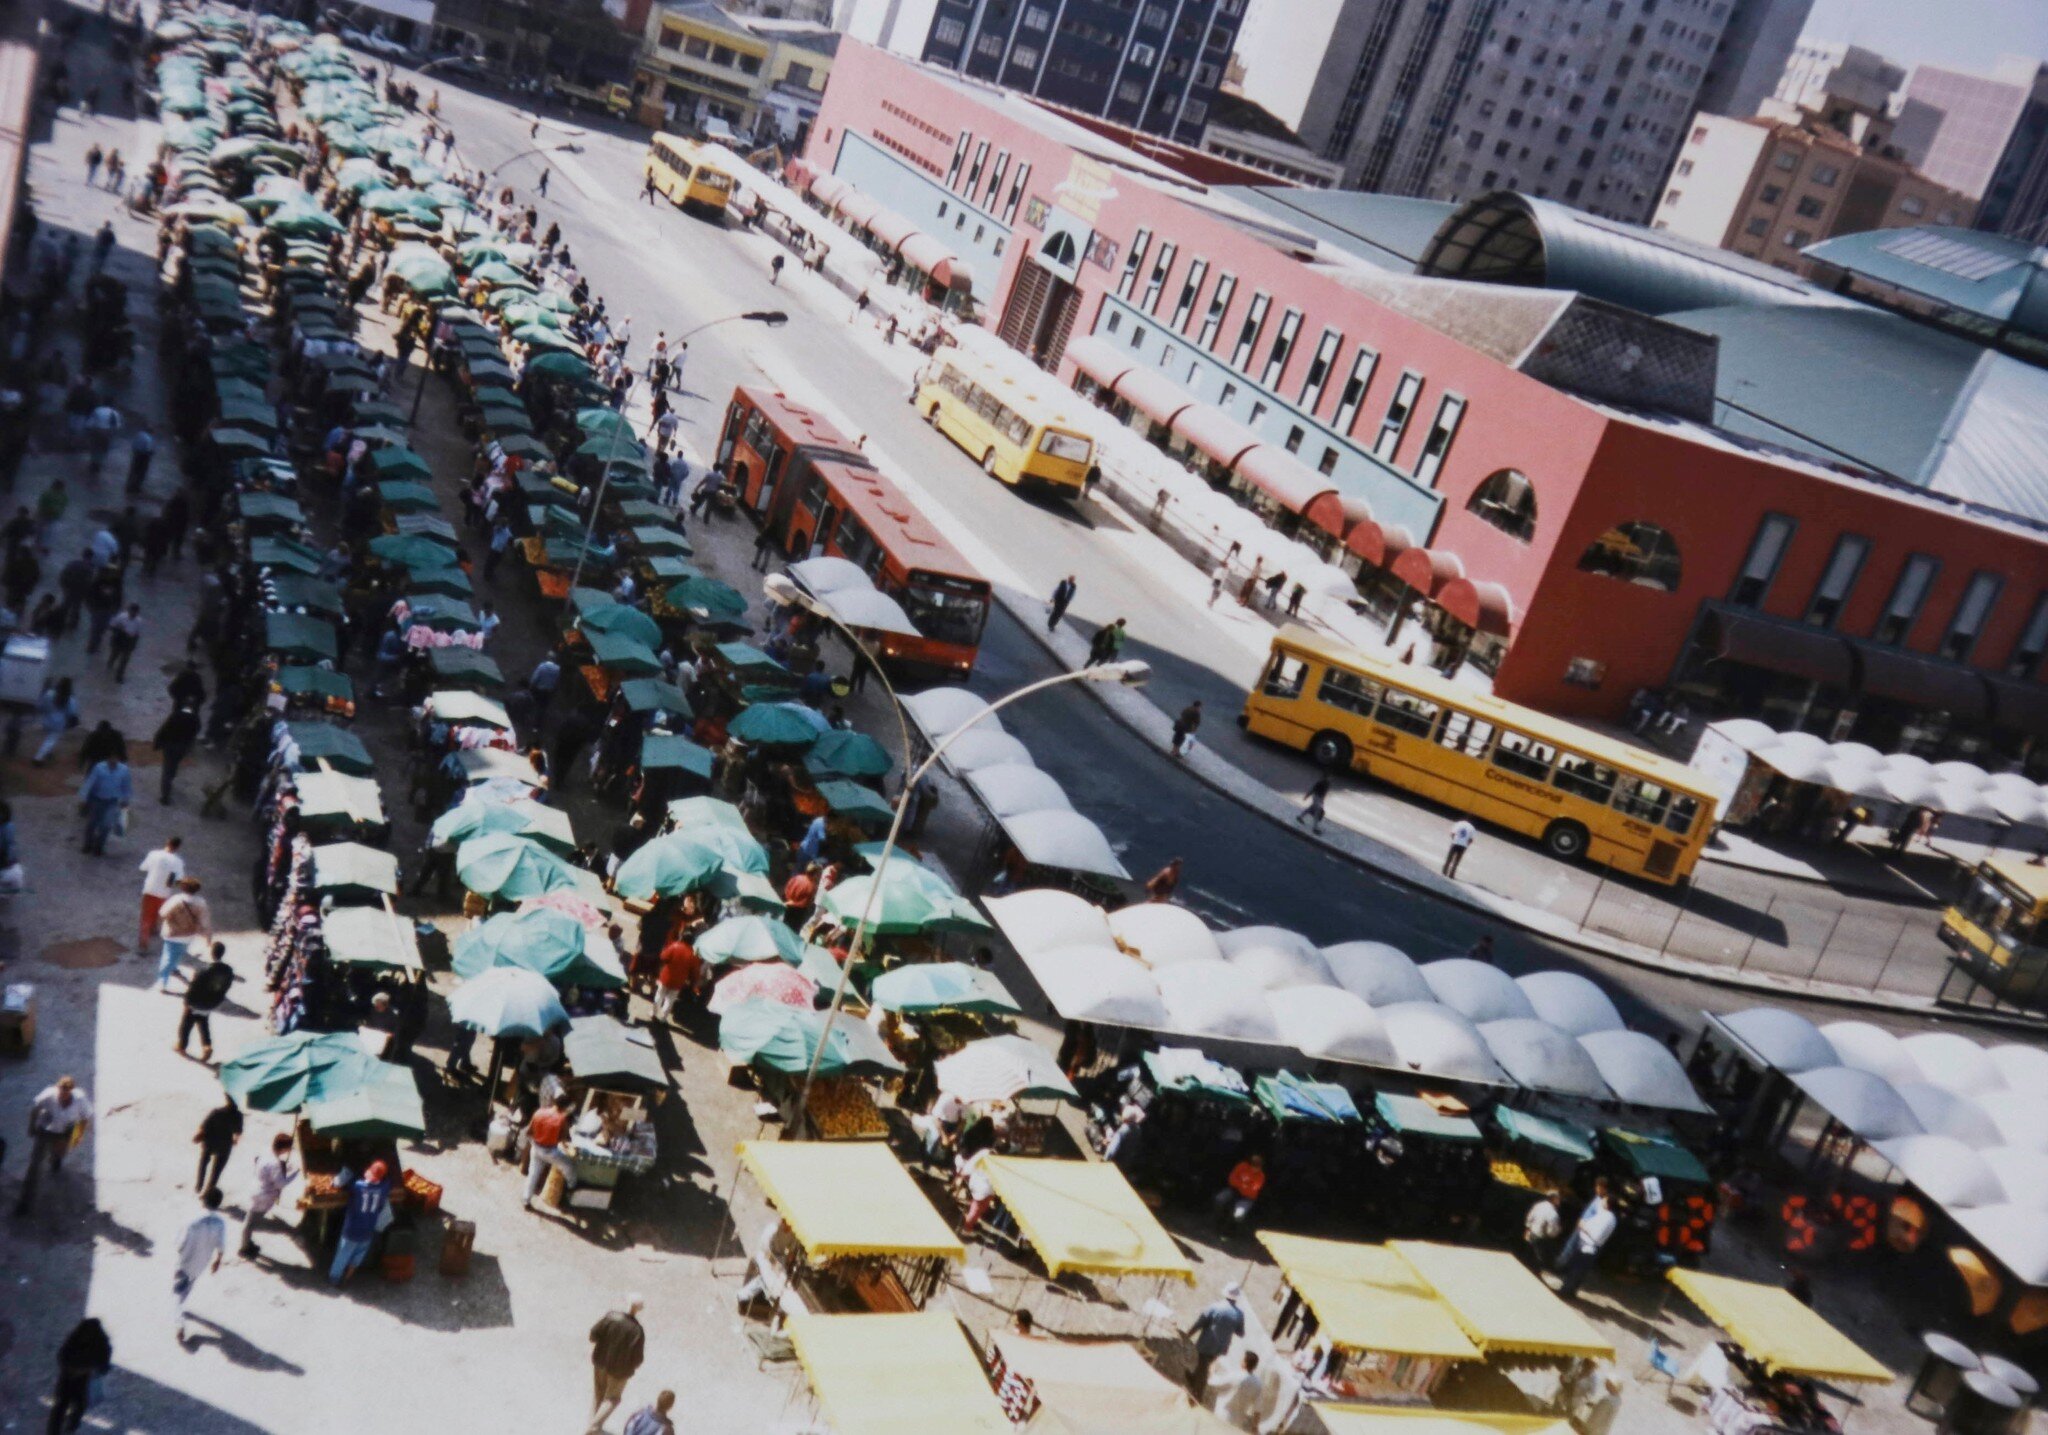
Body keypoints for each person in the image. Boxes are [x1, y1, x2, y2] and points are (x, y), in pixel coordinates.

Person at [16, 1076, 91, 1214]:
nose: (62, 1097)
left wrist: (78, 1136)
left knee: (59, 1152)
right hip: (46, 1131)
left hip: (64, 1131)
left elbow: (85, 1118)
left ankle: (56, 1160)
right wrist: (32, 1126)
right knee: (35, 1165)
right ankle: (24, 1203)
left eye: (66, 1094)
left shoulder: (80, 1099)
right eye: (61, 1093)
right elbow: (35, 1110)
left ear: (71, 1092)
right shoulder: (49, 1095)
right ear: (57, 1089)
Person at [174, 1188, 227, 1344]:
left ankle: (179, 1324)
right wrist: (218, 1261)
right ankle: (183, 1310)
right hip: (201, 1263)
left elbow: (179, 1243)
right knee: (189, 1285)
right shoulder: (220, 1223)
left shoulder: (192, 1220)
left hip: (185, 1262)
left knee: (177, 1295)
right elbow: (221, 1245)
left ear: (204, 1201)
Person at [589, 1297, 648, 1432]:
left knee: (599, 1394)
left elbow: (593, 1336)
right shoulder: (637, 1330)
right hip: (620, 1371)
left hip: (600, 1362)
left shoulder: (610, 1317)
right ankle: (593, 1427)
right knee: (612, 1399)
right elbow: (638, 1358)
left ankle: (592, 1428)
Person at [329, 1161, 392, 1286]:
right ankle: (347, 1278)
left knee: (343, 1255)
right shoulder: (384, 1188)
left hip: (351, 1230)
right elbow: (388, 1181)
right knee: (357, 1257)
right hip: (368, 1231)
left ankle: (334, 1279)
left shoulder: (357, 1186)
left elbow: (340, 1183)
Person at [1554, 1176, 1617, 1297]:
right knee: (1576, 1265)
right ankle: (1567, 1287)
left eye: (1599, 1187)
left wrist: (1583, 1226)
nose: (1596, 1189)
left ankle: (1566, 1289)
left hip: (1588, 1242)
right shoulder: (1599, 1202)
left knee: (1576, 1267)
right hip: (1583, 1235)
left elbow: (1597, 1233)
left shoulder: (1606, 1215)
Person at [49, 1317, 112, 1434]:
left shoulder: (79, 1339)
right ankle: (64, 1429)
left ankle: (66, 1428)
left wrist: (86, 1369)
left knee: (71, 1407)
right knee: (68, 1406)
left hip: (79, 1380)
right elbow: (63, 1356)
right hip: (72, 1378)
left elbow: (104, 1365)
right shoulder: (97, 1342)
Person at [1184, 1283, 1246, 1401]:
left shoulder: (1215, 1307)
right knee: (1205, 1364)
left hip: (1208, 1342)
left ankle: (1197, 1394)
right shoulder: (1239, 1314)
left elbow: (1200, 1322)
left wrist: (1189, 1333)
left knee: (1204, 1366)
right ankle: (1193, 1378)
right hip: (1221, 1347)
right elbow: (1241, 1333)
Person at [241, 1131, 297, 1258]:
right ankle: (244, 1247)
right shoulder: (275, 1163)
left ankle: (247, 1243)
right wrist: (294, 1174)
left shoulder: (266, 1153)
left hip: (256, 1188)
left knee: (250, 1221)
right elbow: (281, 1184)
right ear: (284, 1148)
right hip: (264, 1195)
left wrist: (284, 1167)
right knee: (251, 1223)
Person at [178, 942, 235, 1061]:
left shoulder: (204, 970)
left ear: (212, 953)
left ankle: (182, 1046)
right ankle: (206, 1045)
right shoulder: (228, 971)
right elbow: (226, 987)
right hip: (211, 1003)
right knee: (203, 1022)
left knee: (186, 1025)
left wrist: (187, 1001)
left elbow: (193, 987)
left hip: (196, 1002)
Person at [156, 878, 211, 991]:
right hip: (189, 935)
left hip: (172, 933)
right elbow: (204, 921)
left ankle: (163, 981)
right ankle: (174, 967)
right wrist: (208, 936)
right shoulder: (201, 902)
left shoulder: (176, 900)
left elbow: (163, 913)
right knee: (177, 953)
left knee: (167, 957)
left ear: (183, 888)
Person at [524, 1093, 576, 1209]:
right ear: (565, 1107)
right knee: (568, 1166)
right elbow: (563, 1139)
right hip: (549, 1151)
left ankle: (526, 1200)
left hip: (536, 1146)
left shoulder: (539, 1112)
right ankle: (572, 1188)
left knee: (533, 1174)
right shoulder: (561, 1119)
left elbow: (529, 1132)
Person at [78, 748, 132, 856]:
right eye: (111, 758)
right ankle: (88, 844)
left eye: (115, 758)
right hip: (97, 800)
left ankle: (99, 846)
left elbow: (126, 786)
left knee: (106, 825)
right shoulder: (99, 768)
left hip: (112, 802)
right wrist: (83, 798)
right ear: (107, 758)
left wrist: (126, 800)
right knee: (92, 823)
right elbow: (90, 782)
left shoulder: (124, 770)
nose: (113, 760)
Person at [137, 835, 184, 953]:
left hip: (150, 889)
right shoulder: (178, 862)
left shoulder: (153, 854)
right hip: (164, 893)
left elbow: (143, 868)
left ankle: (143, 945)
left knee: (146, 917)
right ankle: (153, 929)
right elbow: (179, 880)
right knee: (158, 912)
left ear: (167, 842)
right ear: (178, 847)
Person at [193, 1096, 242, 1196]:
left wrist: (199, 1135)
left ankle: (199, 1184)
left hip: (210, 1142)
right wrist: (235, 1140)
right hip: (225, 1145)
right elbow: (238, 1132)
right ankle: (208, 1192)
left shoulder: (217, 1112)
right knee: (217, 1171)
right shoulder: (238, 1115)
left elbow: (204, 1126)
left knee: (203, 1163)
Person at [153, 702, 200, 804]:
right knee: (173, 766)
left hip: (170, 746)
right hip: (182, 747)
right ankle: (171, 778)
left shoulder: (176, 716)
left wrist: (157, 743)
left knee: (167, 769)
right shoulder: (194, 718)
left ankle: (165, 795)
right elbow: (196, 731)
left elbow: (164, 729)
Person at [1212, 1350, 1265, 1431]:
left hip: (1222, 1415)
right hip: (1237, 1422)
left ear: (1244, 1363)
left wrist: (1212, 1370)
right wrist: (1255, 1426)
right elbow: (1258, 1409)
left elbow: (1214, 1383)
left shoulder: (1234, 1375)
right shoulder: (1258, 1384)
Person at [1211, 1153, 1266, 1227]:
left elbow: (1252, 1189)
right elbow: (1231, 1179)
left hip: (1247, 1198)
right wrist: (1243, 1185)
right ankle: (1218, 1221)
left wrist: (1240, 1184)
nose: (1255, 1167)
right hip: (1233, 1191)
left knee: (1239, 1215)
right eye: (1254, 1163)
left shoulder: (1261, 1176)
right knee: (1219, 1199)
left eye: (1258, 1165)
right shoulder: (1242, 1166)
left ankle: (1231, 1230)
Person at [654, 934, 699, 1024]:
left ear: (682, 938)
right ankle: (663, 1018)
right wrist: (693, 983)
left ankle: (654, 1013)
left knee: (659, 995)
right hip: (679, 981)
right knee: (670, 1000)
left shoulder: (674, 946)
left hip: (666, 976)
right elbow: (695, 972)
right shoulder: (693, 955)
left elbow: (663, 956)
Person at [1522, 1187, 1563, 1270]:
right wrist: (1558, 1230)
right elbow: (1551, 1232)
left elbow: (1530, 1217)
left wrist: (1527, 1229)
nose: (1560, 1200)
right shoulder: (1553, 1214)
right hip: (1540, 1238)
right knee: (1537, 1259)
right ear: (1554, 1199)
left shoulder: (1539, 1205)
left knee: (1526, 1255)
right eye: (1558, 1198)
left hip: (1531, 1233)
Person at [105, 603, 142, 681]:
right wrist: (120, 629)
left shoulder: (138, 621)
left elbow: (137, 633)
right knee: (115, 654)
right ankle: (110, 662)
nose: (133, 614)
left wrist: (133, 644)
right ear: (129, 610)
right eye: (132, 611)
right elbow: (112, 626)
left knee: (124, 660)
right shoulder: (121, 617)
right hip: (119, 639)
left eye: (135, 612)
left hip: (129, 641)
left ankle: (119, 676)